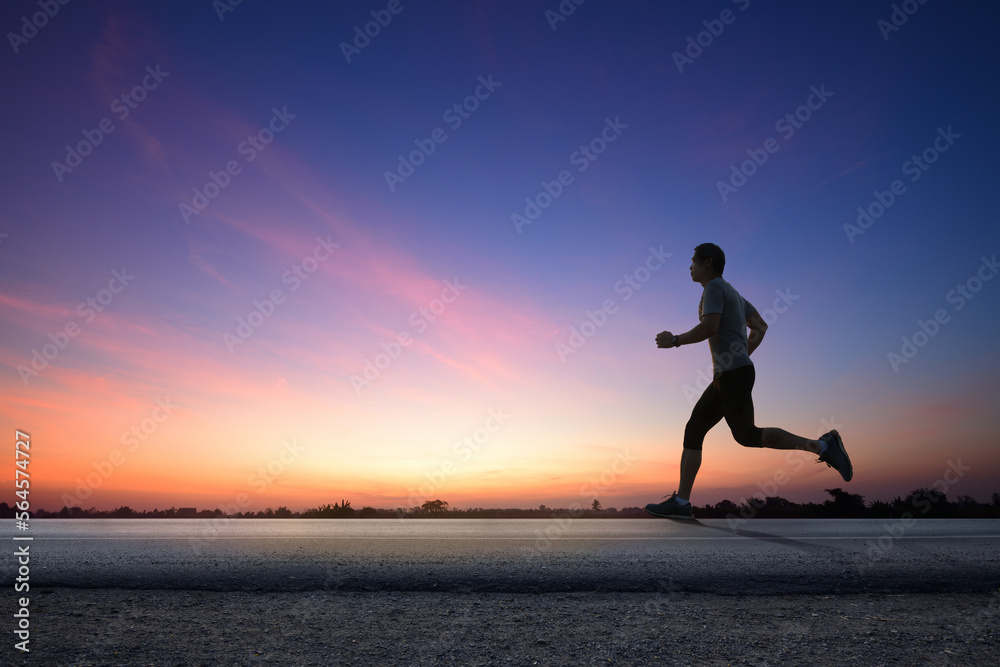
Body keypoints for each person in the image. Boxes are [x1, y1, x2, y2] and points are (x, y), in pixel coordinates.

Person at [645, 243, 852, 520]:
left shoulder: (714, 289)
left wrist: (675, 341)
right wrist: (741, 354)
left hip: (733, 375)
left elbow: (711, 327)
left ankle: (824, 445)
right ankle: (681, 502)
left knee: (747, 435)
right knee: (694, 429)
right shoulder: (736, 295)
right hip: (729, 374)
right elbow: (761, 326)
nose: (690, 267)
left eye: (693, 261)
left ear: (708, 262)